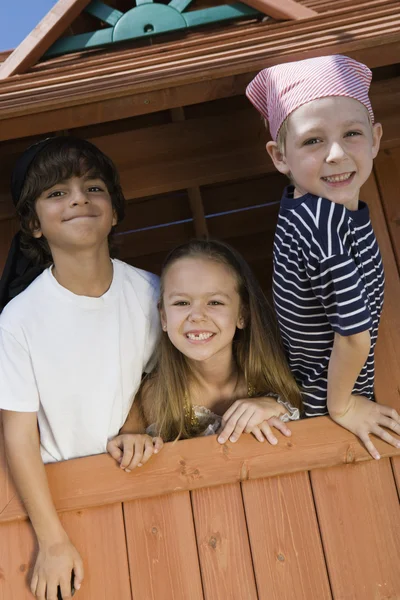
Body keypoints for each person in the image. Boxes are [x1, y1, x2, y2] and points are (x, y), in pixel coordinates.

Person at [0, 137, 160, 599]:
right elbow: (18, 434)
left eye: (93, 188)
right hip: (57, 504)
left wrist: (134, 425)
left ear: (113, 209)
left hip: (138, 481)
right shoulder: (18, 321)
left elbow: (157, 376)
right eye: (56, 193)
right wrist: (50, 540)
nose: (77, 199)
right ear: (33, 224)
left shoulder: (151, 292)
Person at [245, 54, 400, 459]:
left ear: (376, 138)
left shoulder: (317, 212)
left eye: (351, 133)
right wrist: (343, 405)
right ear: (280, 157)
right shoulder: (321, 226)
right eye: (313, 140)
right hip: (326, 411)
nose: (335, 154)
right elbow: (351, 336)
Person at [107, 239, 302, 472]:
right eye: (181, 302)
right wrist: (133, 444)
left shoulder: (279, 372)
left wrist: (277, 405)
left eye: (215, 302)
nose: (197, 316)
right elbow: (127, 444)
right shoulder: (151, 396)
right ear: (164, 317)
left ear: (242, 313)